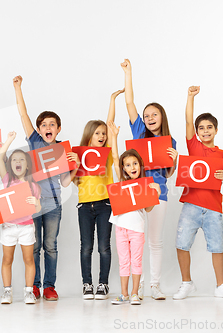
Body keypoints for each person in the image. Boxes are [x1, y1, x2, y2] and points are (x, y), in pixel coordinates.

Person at [12, 75, 80, 301]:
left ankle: (49, 286)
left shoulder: (62, 149)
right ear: (39, 130)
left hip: (53, 204)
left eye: (52, 124)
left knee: (50, 246)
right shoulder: (35, 142)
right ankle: (34, 285)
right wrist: (18, 88)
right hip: (31, 203)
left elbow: (64, 183)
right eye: (44, 125)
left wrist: (75, 167)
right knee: (33, 246)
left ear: (58, 129)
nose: (47, 127)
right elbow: (23, 114)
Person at [121, 59, 178, 300]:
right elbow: (130, 102)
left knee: (155, 240)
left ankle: (154, 284)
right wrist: (129, 73)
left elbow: (167, 174)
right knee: (136, 241)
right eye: (146, 115)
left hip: (159, 193)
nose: (149, 117)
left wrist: (175, 161)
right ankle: (138, 285)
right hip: (135, 193)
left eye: (154, 114)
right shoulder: (139, 133)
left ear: (161, 117)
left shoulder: (170, 142)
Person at [173, 86, 223, 300]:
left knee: (217, 246)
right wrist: (190, 97)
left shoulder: (222, 155)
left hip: (213, 207)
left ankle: (220, 285)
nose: (206, 131)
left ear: (216, 130)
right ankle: (186, 283)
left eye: (210, 127)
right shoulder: (194, 148)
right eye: (202, 128)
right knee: (181, 243)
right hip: (191, 204)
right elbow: (188, 121)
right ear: (198, 132)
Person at [74, 88, 124, 300]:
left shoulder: (108, 156)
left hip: (105, 204)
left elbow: (110, 124)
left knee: (104, 246)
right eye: (97, 133)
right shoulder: (81, 155)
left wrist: (112, 100)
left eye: (103, 134)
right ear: (89, 136)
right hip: (85, 206)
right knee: (86, 247)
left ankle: (103, 284)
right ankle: (87, 284)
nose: (102, 136)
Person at [108, 121, 161, 305]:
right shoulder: (123, 181)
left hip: (137, 228)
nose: (132, 167)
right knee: (124, 261)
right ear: (124, 168)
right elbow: (115, 158)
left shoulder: (144, 184)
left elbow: (147, 209)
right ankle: (123, 293)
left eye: (135, 164)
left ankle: (134, 293)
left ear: (140, 165)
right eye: (128, 165)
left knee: (136, 261)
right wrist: (113, 137)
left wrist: (157, 193)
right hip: (121, 227)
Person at [0, 131, 42, 304]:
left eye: (21, 159)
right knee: (7, 259)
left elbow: (38, 207)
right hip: (8, 227)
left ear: (27, 165)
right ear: (11, 165)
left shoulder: (33, 185)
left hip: (26, 227)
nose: (17, 162)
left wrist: (35, 202)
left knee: (29, 259)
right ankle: (7, 292)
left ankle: (29, 291)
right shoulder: (7, 179)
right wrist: (9, 140)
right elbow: (0, 158)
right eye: (14, 159)